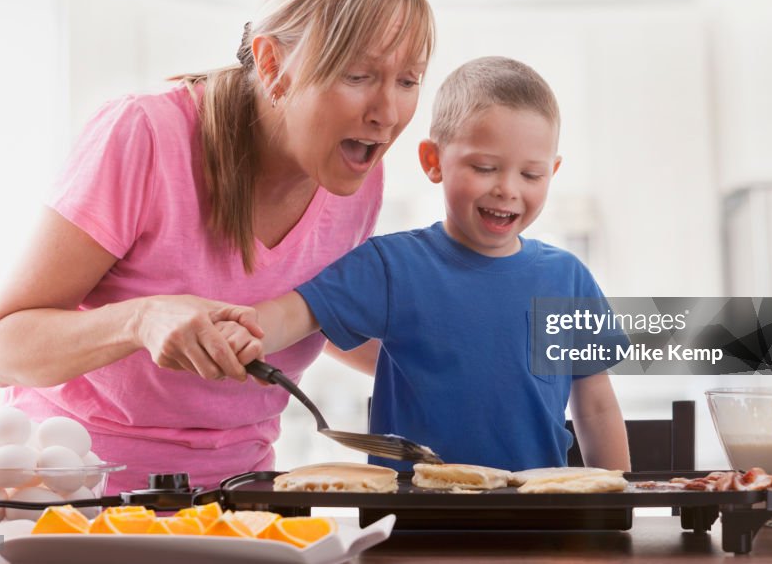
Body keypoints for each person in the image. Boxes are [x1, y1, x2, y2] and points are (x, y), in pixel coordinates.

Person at [0, 0, 435, 493]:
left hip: (237, 496)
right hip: (74, 493)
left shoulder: (358, 180)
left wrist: (467, 360)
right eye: (359, 76)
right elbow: (3, 349)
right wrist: (139, 320)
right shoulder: (145, 136)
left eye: (408, 81)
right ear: (273, 64)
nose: (388, 113)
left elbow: (314, 312)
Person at [250, 56, 631, 472]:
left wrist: (614, 506)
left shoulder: (567, 278)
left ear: (553, 173)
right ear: (433, 161)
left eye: (532, 175)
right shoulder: (391, 265)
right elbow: (297, 312)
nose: (507, 189)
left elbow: (595, 408)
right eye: (484, 168)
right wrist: (234, 331)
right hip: (414, 519)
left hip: (535, 514)